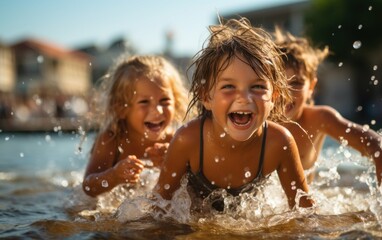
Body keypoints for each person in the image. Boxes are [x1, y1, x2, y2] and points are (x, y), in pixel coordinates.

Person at [154, 18, 314, 212]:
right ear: (206, 96)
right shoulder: (188, 140)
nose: (244, 98)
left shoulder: (278, 142)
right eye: (229, 86)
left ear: (273, 97)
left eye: (257, 87)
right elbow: (157, 208)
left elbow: (306, 213)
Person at [273, 28, 382, 185]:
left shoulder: (318, 119)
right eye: (279, 82)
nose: (287, 92)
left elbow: (375, 144)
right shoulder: (257, 123)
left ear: (311, 87)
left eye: (296, 83)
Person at [82, 55, 189, 197]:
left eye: (164, 100)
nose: (157, 111)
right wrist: (114, 176)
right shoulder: (112, 139)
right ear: (121, 108)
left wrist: (171, 166)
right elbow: (89, 187)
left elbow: (190, 186)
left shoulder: (175, 140)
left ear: (176, 102)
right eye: (144, 102)